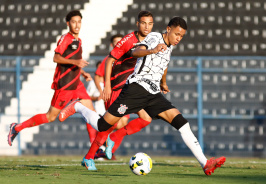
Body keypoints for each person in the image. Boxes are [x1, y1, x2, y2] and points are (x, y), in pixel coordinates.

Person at [60, 17, 226, 176]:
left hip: (153, 93)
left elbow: (164, 64)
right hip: (136, 89)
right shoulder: (154, 37)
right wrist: (152, 50)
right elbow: (135, 51)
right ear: (168, 29)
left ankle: (205, 163)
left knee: (182, 123)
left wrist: (163, 82)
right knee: (102, 125)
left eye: (181, 36)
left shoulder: (170, 47)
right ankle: (78, 106)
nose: (178, 38)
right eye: (176, 34)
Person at [59, 11, 154, 171]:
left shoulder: (151, 40)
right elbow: (109, 61)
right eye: (143, 23)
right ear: (137, 24)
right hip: (118, 89)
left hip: (131, 89)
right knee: (108, 125)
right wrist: (107, 87)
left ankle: (105, 144)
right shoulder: (128, 41)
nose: (147, 27)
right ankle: (79, 108)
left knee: (145, 119)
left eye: (150, 23)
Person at [7, 10, 98, 146]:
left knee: (91, 112)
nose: (77, 25)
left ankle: (95, 146)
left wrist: (82, 72)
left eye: (79, 21)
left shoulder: (79, 40)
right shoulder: (66, 38)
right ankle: (17, 127)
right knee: (51, 117)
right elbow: (56, 57)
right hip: (65, 85)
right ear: (68, 23)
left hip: (77, 83)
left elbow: (73, 60)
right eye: (73, 22)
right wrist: (76, 63)